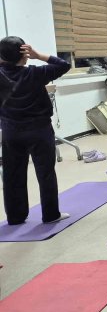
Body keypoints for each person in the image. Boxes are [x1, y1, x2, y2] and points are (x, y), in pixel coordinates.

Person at [0, 37, 70, 225]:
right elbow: (63, 65)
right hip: (39, 130)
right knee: (45, 172)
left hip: (10, 131)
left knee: (12, 174)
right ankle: (50, 215)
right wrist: (38, 55)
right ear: (25, 54)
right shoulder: (35, 73)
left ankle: (15, 217)